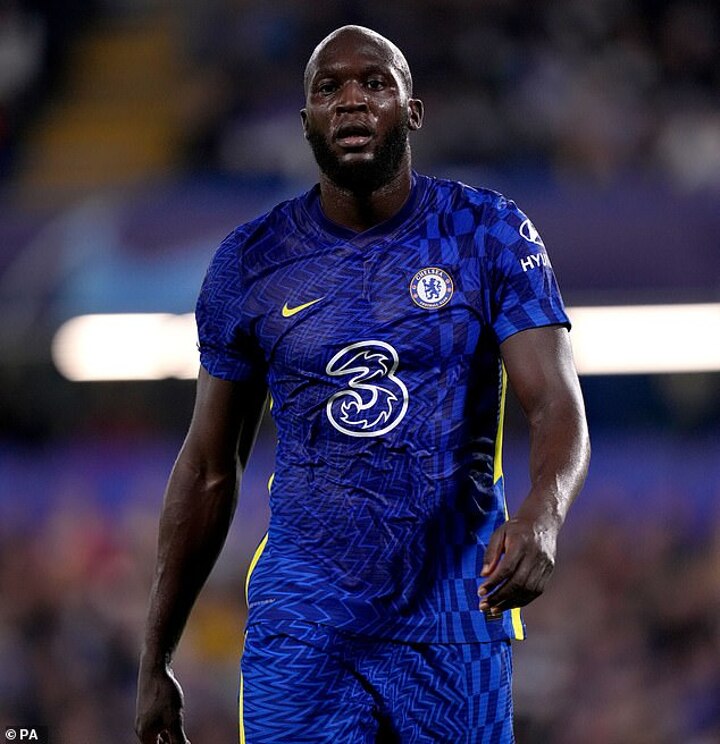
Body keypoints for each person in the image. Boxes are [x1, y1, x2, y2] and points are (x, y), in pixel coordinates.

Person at [135, 24, 590, 744]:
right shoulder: (250, 261)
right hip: (303, 629)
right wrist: (156, 656)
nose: (351, 100)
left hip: (454, 620)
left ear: (413, 111)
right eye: (329, 87)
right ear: (306, 119)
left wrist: (543, 513)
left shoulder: (488, 233)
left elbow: (556, 403)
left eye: (375, 83)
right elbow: (208, 468)